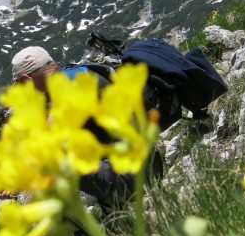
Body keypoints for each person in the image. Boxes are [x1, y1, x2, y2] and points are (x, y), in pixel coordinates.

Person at [10, 45, 161, 211]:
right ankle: (115, 215)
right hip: (146, 164)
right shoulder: (77, 75)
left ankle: (75, 234)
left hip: (136, 177)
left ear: (27, 80)